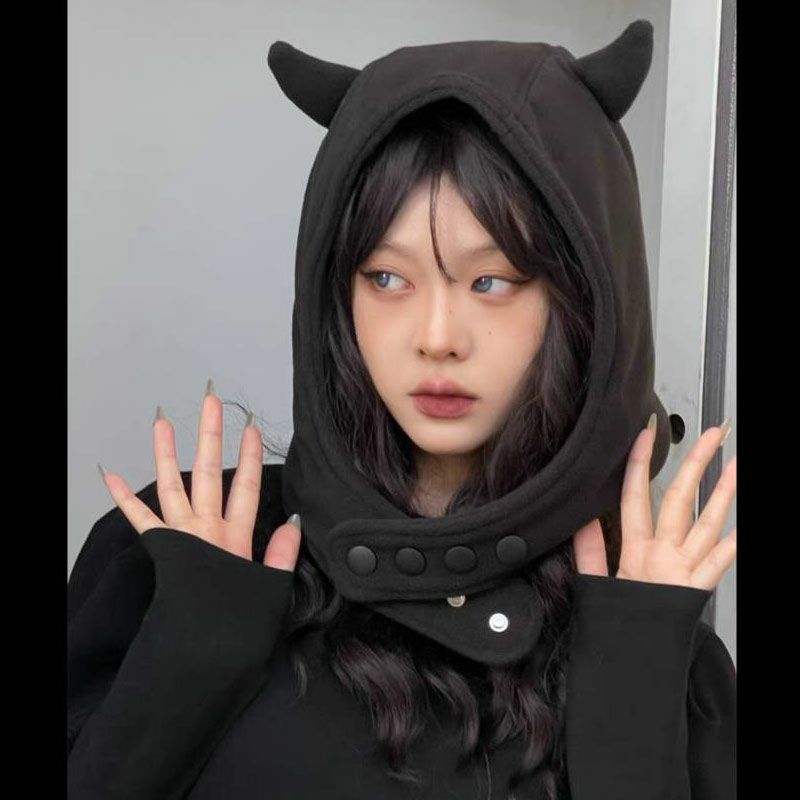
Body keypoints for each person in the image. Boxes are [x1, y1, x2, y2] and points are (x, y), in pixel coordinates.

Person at [67, 19, 736, 800]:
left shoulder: (644, 629)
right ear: (334, 294)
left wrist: (634, 679)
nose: (436, 338)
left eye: (491, 281)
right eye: (387, 278)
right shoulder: (184, 552)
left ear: (583, 303)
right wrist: (190, 646)